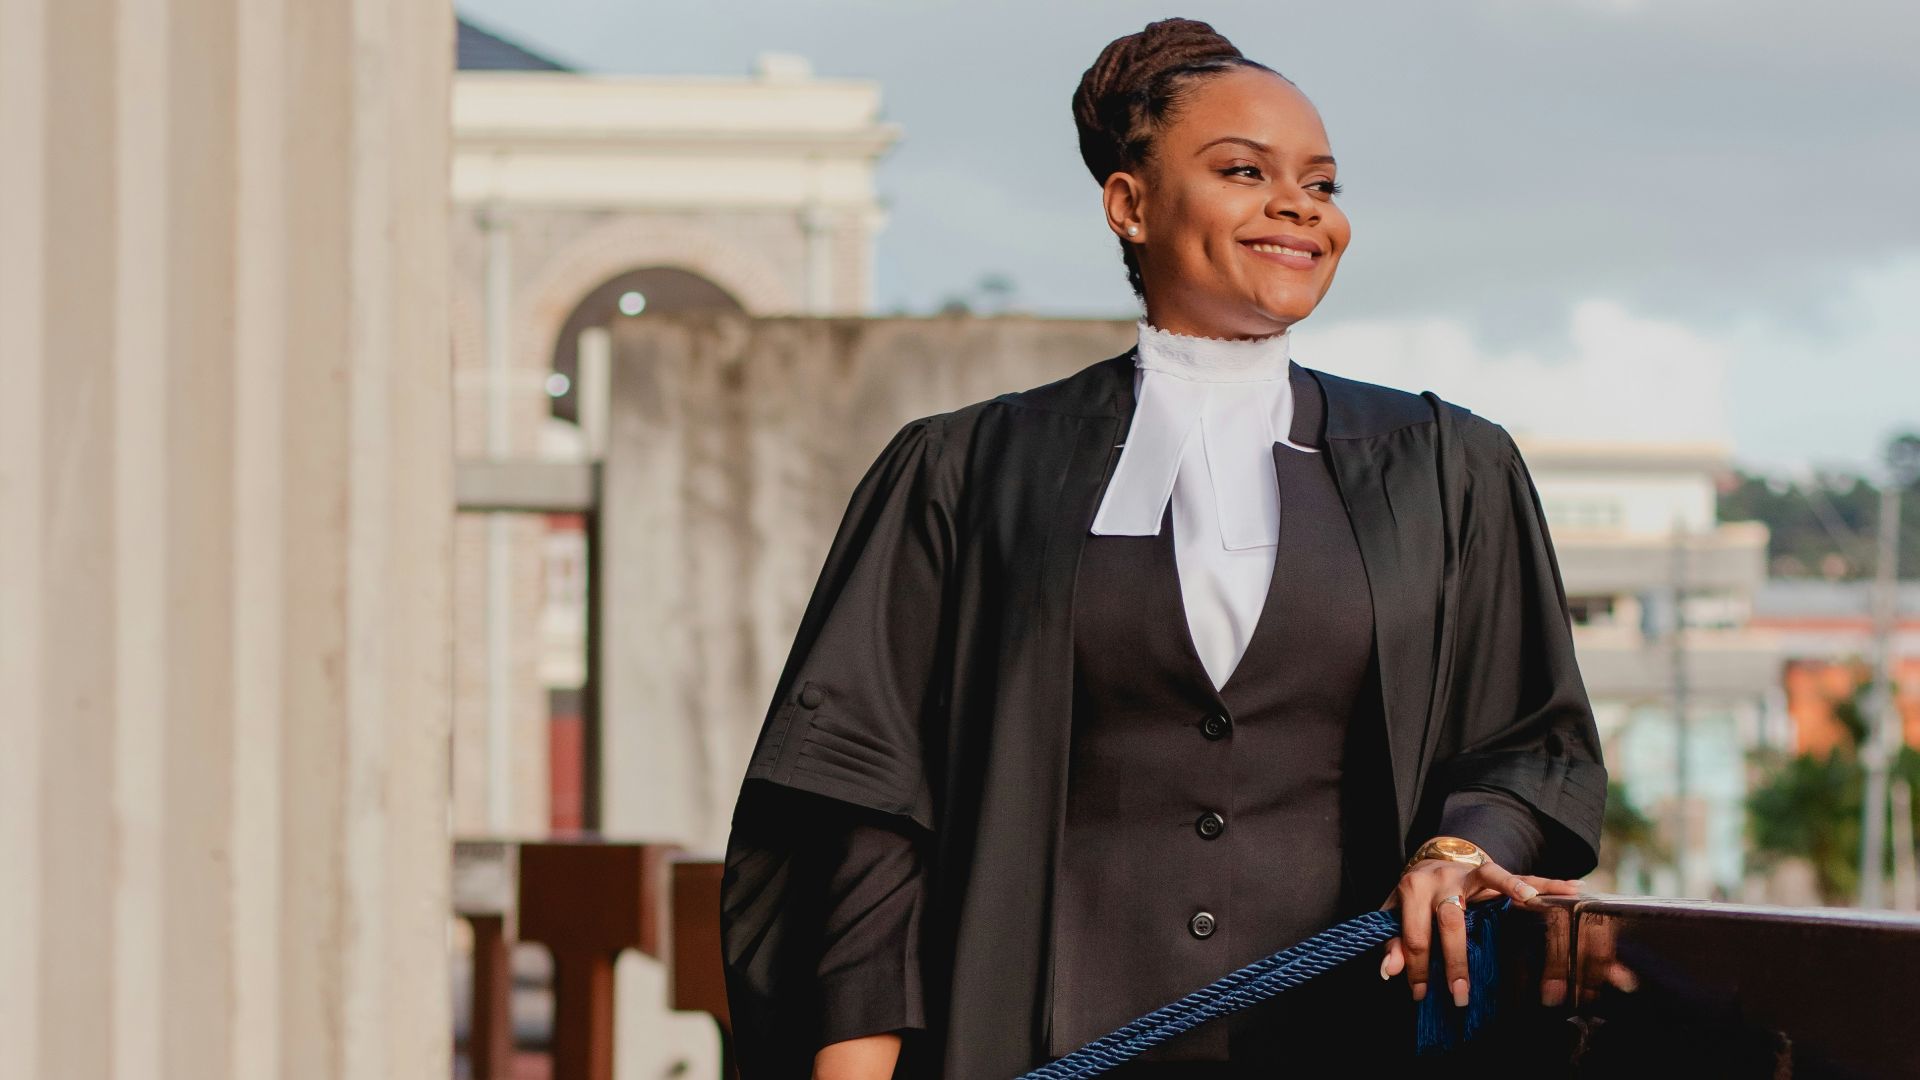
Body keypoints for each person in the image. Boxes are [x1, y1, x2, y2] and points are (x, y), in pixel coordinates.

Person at [721, 17, 1606, 1079]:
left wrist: (1461, 851)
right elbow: (860, 807)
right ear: (1128, 204)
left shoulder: (1448, 468)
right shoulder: (963, 473)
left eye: (1321, 185)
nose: (1298, 206)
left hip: (1348, 1046)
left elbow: (1531, 745)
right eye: (1244, 171)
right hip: (1035, 1046)